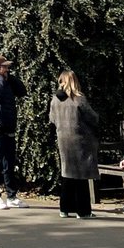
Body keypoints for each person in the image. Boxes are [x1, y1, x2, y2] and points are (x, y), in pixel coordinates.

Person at [48, 70, 99, 219]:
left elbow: (52, 120)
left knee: (67, 175)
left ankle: (65, 208)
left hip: (63, 140)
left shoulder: (55, 100)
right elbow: (93, 118)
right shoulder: (79, 99)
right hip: (80, 140)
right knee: (81, 176)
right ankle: (83, 211)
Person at [0, 53, 27, 209]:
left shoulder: (8, 80)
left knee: (9, 163)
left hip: (10, 126)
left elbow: (22, 91)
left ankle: (12, 196)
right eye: (4, 67)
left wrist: (12, 78)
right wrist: (0, 78)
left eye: (8, 67)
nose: (7, 69)